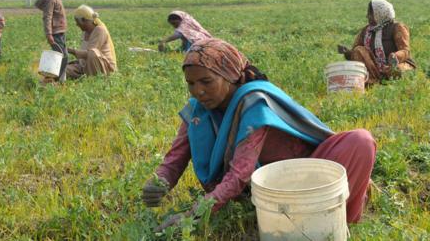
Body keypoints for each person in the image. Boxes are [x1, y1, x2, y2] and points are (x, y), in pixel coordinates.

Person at [143, 39, 377, 231]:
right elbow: (176, 156)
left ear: (230, 77)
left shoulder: (254, 104)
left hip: (307, 178)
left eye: (206, 81)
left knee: (360, 141)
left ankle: (332, 220)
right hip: (266, 191)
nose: (198, 91)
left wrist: (191, 217)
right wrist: (160, 182)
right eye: (191, 83)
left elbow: (239, 175)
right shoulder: (198, 110)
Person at [338, 0, 416, 84]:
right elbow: (357, 54)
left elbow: (405, 51)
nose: (367, 16)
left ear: (379, 14)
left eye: (370, 14)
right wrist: (347, 52)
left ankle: (383, 81)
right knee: (358, 50)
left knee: (396, 71)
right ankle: (373, 81)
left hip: (396, 64)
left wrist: (395, 57)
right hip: (375, 68)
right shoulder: (365, 31)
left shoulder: (397, 27)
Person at [35, 0, 74, 84]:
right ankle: (52, 80)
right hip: (55, 34)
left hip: (60, 34)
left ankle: (60, 80)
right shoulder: (51, 0)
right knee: (63, 57)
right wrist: (49, 35)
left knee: (63, 57)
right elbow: (47, 17)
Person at [66, 5, 117, 79]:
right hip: (85, 65)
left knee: (92, 53)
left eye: (77, 22)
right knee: (64, 69)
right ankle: (82, 76)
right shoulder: (85, 32)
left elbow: (89, 54)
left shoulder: (99, 30)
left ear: (84, 20)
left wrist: (72, 51)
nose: (77, 24)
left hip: (104, 67)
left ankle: (94, 78)